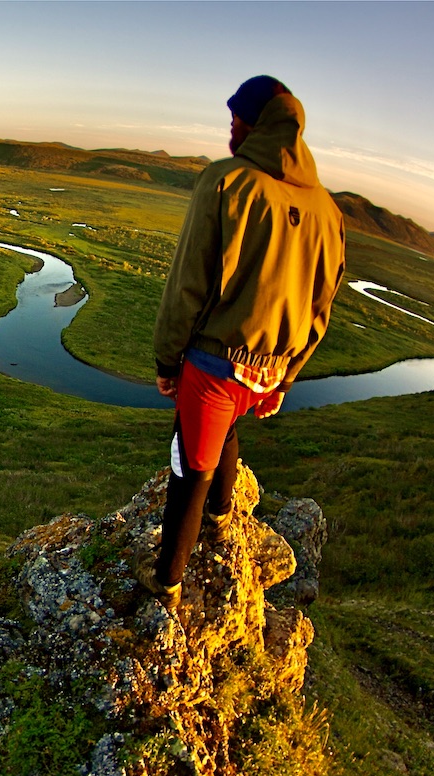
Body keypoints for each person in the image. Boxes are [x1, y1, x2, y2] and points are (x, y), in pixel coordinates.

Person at [135, 75, 346, 611]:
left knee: (189, 468)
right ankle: (224, 516)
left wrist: (167, 358)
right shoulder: (329, 211)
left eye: (235, 122)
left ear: (254, 125)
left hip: (214, 364)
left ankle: (167, 582)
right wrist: (288, 375)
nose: (230, 131)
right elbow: (320, 310)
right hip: (270, 371)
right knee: (228, 430)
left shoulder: (226, 181)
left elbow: (189, 282)